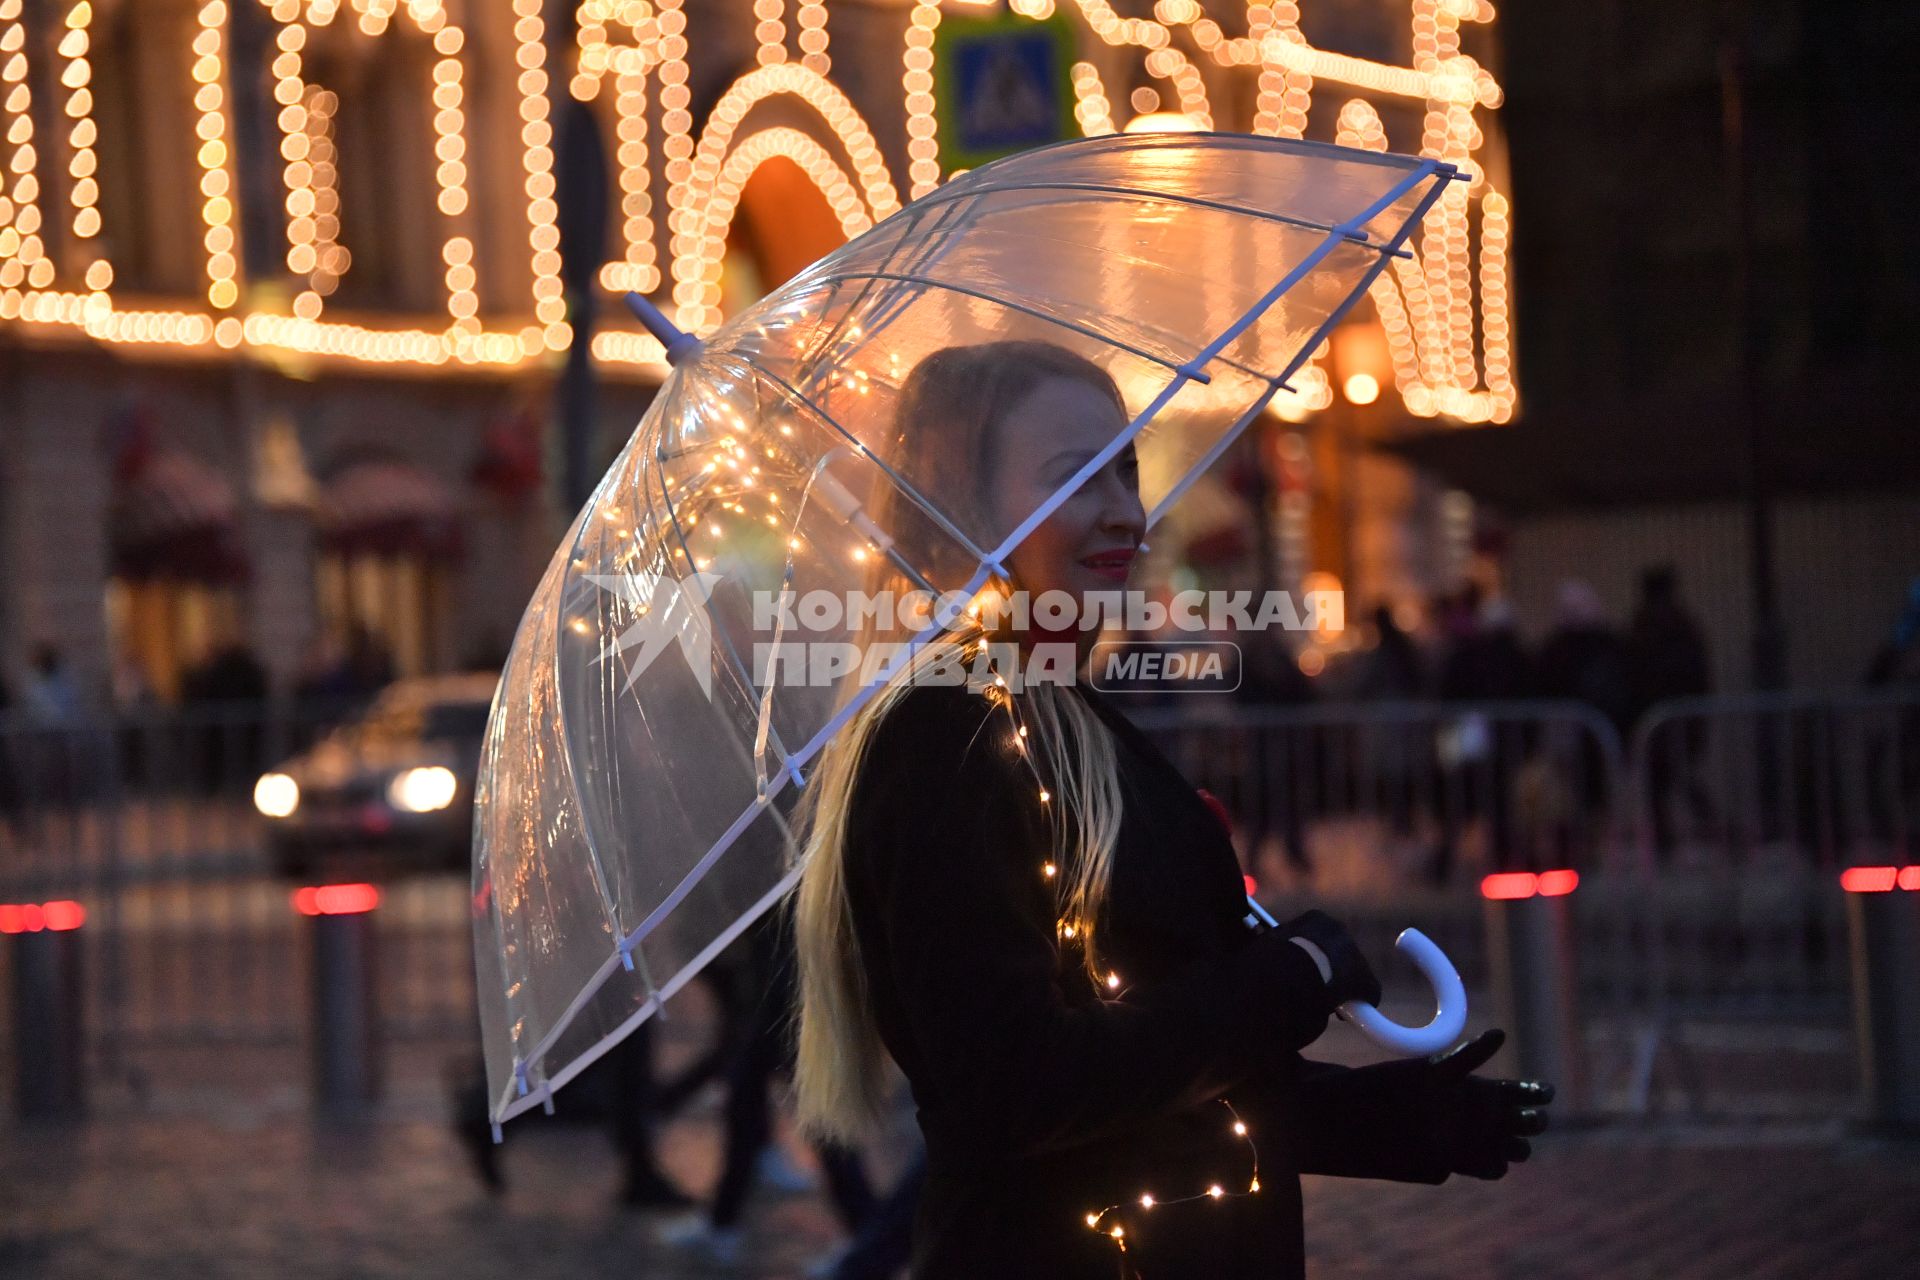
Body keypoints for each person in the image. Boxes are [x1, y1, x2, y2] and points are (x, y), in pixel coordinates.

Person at [788, 342, 1552, 1280]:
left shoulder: (1060, 705)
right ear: (967, 509)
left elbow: (1156, 1075)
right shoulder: (948, 739)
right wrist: (1290, 978)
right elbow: (1024, 1088)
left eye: (1127, 470)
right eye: (1076, 480)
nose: (1124, 512)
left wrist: (1386, 1120)